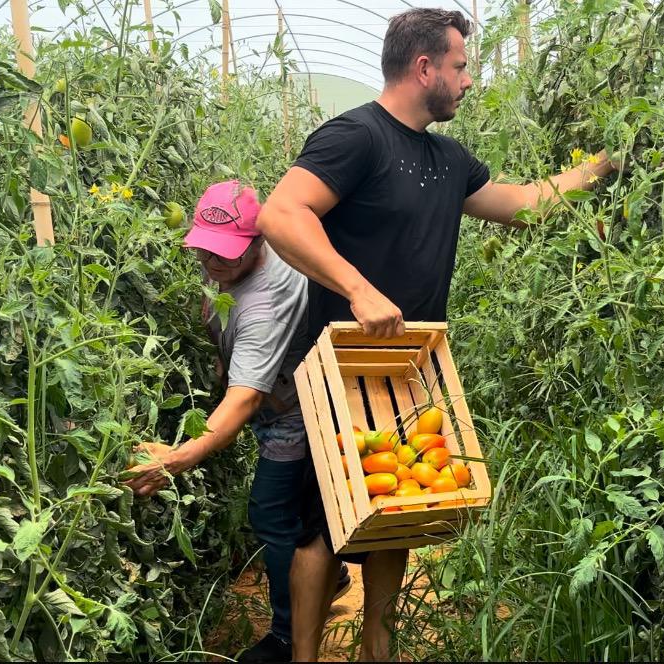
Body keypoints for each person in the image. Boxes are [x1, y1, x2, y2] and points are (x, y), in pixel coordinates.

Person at [256, 8, 620, 661]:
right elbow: (280, 212)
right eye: (459, 66)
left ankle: (378, 651)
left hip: (406, 366)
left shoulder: (448, 159)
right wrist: (358, 288)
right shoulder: (355, 138)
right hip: (339, 367)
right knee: (317, 524)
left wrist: (603, 165)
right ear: (423, 67)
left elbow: (523, 205)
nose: (468, 80)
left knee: (397, 511)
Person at [122, 180, 350, 663]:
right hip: (283, 397)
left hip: (295, 413)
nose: (211, 264)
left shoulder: (266, 305)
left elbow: (245, 399)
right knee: (291, 512)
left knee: (270, 512)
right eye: (203, 251)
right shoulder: (231, 263)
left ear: (259, 241)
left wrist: (178, 457)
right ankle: (329, 571)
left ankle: (290, 632)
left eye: (225, 255)